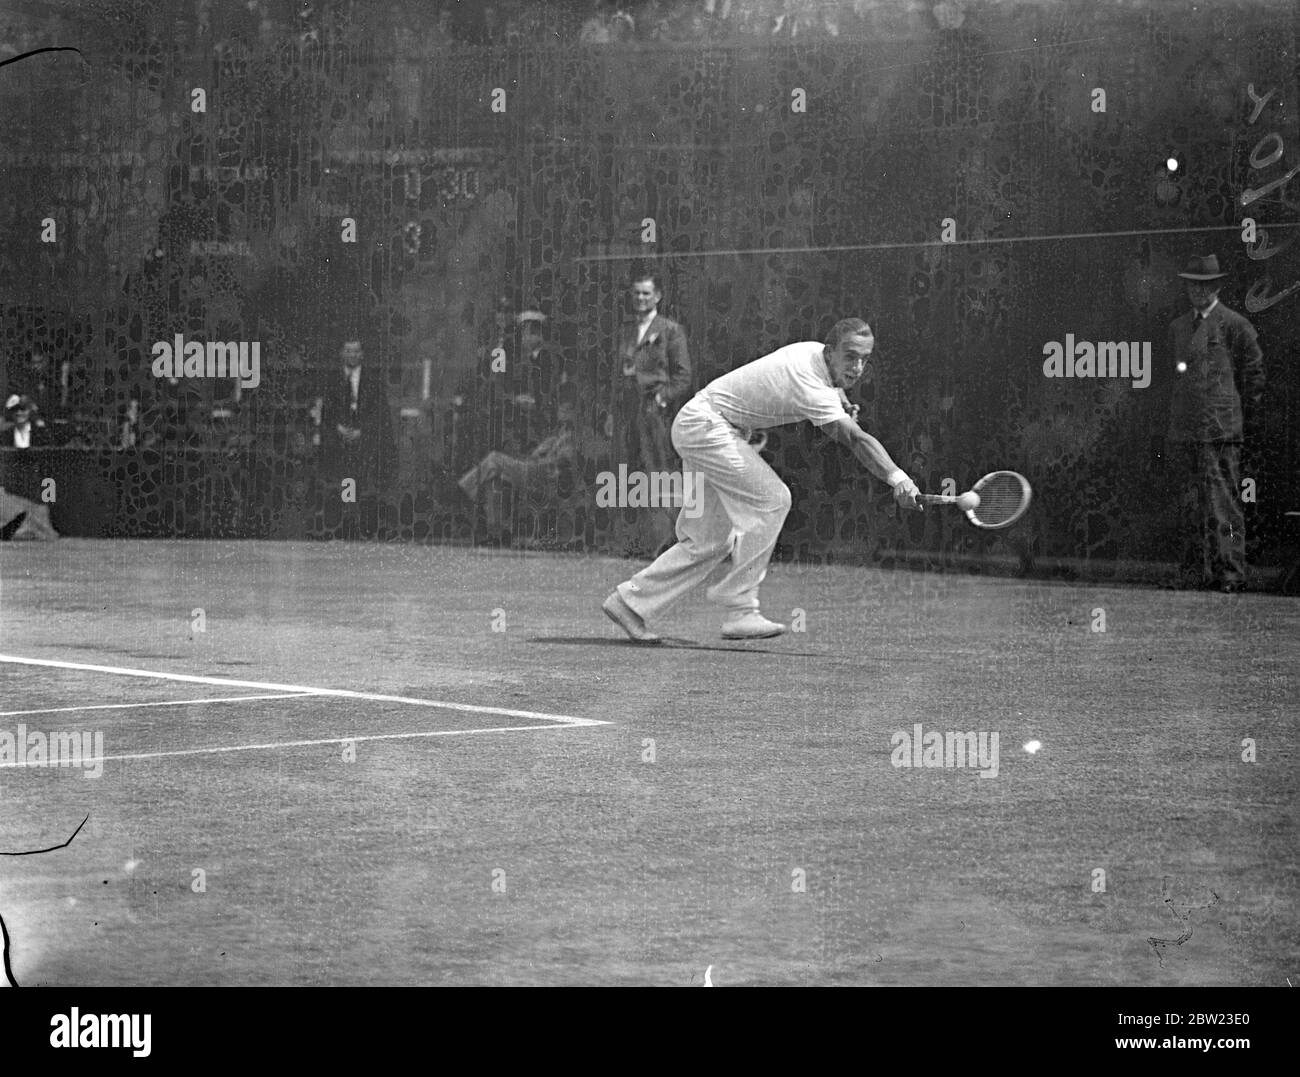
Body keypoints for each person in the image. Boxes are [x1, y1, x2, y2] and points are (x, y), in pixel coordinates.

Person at [602, 318, 922, 642]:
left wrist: (838, 396)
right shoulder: (809, 382)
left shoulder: (814, 354)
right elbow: (855, 439)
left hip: (701, 425)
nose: (857, 367)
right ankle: (741, 606)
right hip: (707, 427)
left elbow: (830, 401)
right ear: (830, 352)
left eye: (864, 359)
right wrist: (899, 479)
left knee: (709, 542)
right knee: (774, 500)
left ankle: (629, 603)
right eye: (850, 356)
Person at [1164, 254, 1264, 592]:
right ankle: (1193, 571)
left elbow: (1253, 376)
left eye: (1204, 285)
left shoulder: (1234, 324)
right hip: (1185, 429)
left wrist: (1237, 417)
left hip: (1221, 430)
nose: (1197, 291)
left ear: (1217, 286)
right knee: (1188, 505)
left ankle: (1231, 573)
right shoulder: (1178, 327)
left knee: (1225, 506)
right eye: (1192, 284)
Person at [614, 271, 692, 556]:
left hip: (655, 413)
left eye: (646, 293)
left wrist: (661, 398)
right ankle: (632, 542)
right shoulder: (625, 331)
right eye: (636, 293)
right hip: (628, 411)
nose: (641, 298)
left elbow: (683, 376)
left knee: (659, 473)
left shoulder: (670, 330)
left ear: (657, 296)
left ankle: (663, 543)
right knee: (627, 473)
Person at [458, 384, 581, 544]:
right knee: (497, 479)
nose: (562, 413)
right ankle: (498, 532)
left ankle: (463, 489)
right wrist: (542, 452)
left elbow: (564, 460)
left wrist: (542, 458)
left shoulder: (573, 437)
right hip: (534, 471)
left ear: (574, 413)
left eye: (567, 410)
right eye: (561, 409)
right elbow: (535, 453)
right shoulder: (556, 436)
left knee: (494, 458)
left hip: (543, 475)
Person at [318, 337, 397, 534]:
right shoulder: (333, 381)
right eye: (348, 351)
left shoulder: (373, 381)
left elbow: (380, 412)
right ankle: (348, 522)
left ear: (361, 354)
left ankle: (366, 526)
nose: (352, 355)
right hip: (341, 441)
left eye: (356, 351)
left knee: (365, 484)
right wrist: (339, 429)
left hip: (365, 441)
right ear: (342, 354)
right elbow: (327, 411)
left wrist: (362, 430)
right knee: (347, 482)